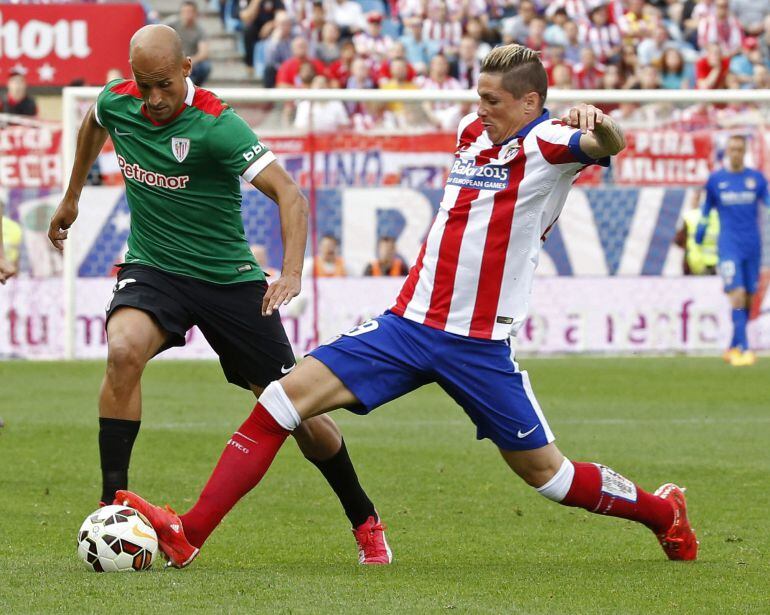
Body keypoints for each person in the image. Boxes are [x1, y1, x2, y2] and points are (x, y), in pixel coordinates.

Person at [119, 44, 699, 569]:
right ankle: (189, 533)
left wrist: (598, 124)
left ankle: (661, 512)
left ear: (531, 103)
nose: (482, 108)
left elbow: (605, 145)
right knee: (281, 399)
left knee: (548, 476)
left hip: (474, 345)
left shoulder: (548, 143)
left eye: (494, 100)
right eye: (479, 96)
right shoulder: (473, 131)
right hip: (407, 325)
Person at [48, 24, 390, 565]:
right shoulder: (119, 101)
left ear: (187, 68)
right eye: (144, 86)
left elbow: (291, 195)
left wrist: (292, 272)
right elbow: (93, 121)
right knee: (122, 350)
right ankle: (111, 501)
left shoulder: (217, 125)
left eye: (164, 84)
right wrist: (72, 197)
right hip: (153, 268)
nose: (154, 99)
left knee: (295, 411)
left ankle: (365, 520)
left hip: (228, 280)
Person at [695, 135, 769, 367]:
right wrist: (700, 228)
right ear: (727, 152)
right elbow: (707, 208)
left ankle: (731, 346)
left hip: (752, 246)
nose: (736, 153)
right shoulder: (716, 180)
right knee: (736, 294)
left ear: (744, 151)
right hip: (729, 246)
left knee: (747, 299)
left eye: (739, 149)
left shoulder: (756, 179)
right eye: (732, 149)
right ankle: (744, 349)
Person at [166, 0, 211, 86]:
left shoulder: (199, 30)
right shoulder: (172, 24)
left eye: (190, 12)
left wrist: (190, 61)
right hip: (173, 58)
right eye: (185, 11)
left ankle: (194, 87)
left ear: (195, 14)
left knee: (205, 66)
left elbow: (203, 53)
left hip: (191, 61)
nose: (187, 14)